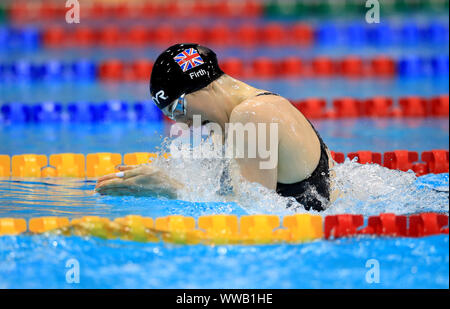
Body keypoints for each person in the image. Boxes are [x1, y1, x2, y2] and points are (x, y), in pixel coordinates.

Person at [95, 43, 339, 211]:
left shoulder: (253, 114)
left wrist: (172, 189)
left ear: (204, 85)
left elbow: (255, 209)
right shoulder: (227, 123)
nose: (184, 123)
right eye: (171, 117)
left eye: (178, 109)